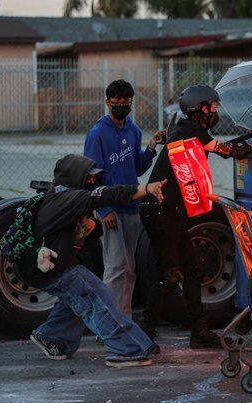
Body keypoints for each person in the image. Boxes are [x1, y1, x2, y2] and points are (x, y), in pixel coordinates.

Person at [139, 85, 252, 353]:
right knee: (171, 276)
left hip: (171, 210)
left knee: (192, 271)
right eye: (213, 107)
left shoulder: (188, 129)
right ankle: (143, 333)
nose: (216, 111)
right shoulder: (188, 131)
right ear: (202, 109)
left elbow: (229, 145)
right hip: (160, 209)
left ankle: (200, 332)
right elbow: (234, 151)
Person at [21, 153, 167, 368]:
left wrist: (93, 226)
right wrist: (147, 188)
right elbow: (109, 194)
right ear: (74, 177)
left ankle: (52, 337)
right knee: (96, 297)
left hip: (50, 264)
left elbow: (84, 228)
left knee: (81, 295)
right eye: (88, 177)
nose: (92, 181)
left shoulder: (62, 195)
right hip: (48, 267)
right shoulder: (69, 197)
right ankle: (125, 351)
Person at [83, 79, 164, 318]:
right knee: (116, 266)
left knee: (129, 268)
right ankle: (108, 322)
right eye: (116, 102)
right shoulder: (97, 134)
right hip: (111, 209)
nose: (121, 106)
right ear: (107, 102)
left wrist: (151, 146)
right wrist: (104, 209)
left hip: (132, 206)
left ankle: (123, 319)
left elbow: (136, 168)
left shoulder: (134, 131)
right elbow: (91, 177)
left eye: (126, 102)